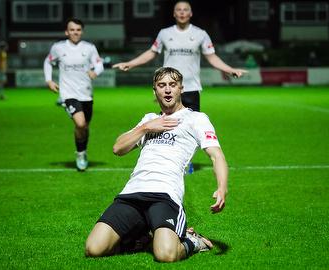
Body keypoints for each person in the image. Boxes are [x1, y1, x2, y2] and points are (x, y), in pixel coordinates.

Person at [85, 67, 228, 262]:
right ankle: (145, 236)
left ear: (181, 89)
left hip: (165, 195)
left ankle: (193, 242)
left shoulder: (196, 119)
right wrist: (146, 128)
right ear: (155, 91)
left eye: (172, 85)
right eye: (162, 85)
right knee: (94, 249)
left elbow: (216, 156)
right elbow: (118, 148)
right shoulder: (149, 119)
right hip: (132, 194)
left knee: (166, 255)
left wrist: (222, 188)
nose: (167, 90)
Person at [113, 1, 247, 112]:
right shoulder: (164, 33)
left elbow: (212, 57)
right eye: (179, 10)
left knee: (192, 131)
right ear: (174, 13)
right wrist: (130, 63)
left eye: (185, 9)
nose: (182, 12)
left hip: (192, 88)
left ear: (190, 13)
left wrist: (230, 70)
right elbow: (152, 52)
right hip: (169, 88)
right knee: (168, 129)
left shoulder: (201, 34)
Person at [44, 18, 104, 171]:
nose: (75, 32)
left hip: (86, 94)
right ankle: (80, 153)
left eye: (78, 30)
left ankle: (82, 151)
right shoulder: (58, 48)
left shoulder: (89, 48)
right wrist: (49, 80)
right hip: (68, 93)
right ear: (66, 32)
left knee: (84, 128)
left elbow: (99, 64)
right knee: (80, 123)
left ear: (81, 32)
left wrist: (95, 71)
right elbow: (48, 62)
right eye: (72, 29)